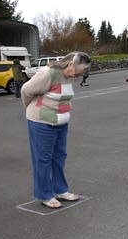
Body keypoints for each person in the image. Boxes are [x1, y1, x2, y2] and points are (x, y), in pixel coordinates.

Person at [21, 52, 91, 209]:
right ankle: (44, 194)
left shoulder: (69, 76)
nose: (80, 74)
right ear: (70, 64)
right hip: (42, 122)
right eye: (80, 70)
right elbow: (26, 90)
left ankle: (60, 190)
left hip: (61, 122)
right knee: (43, 159)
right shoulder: (48, 73)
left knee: (59, 156)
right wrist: (31, 110)